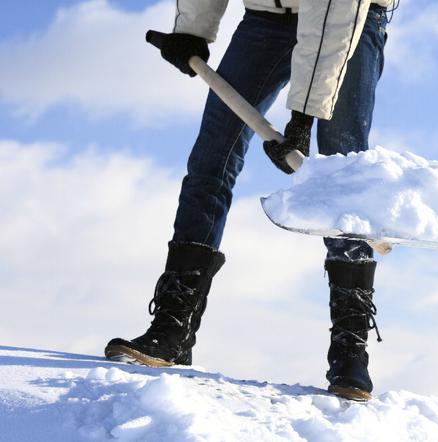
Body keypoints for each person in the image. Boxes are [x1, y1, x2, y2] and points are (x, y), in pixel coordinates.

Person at [105, 0, 392, 401]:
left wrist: (303, 115)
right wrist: (194, 26)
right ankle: (173, 327)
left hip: (349, 21)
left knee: (341, 174)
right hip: (266, 18)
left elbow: (333, 9)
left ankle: (350, 348)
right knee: (211, 158)